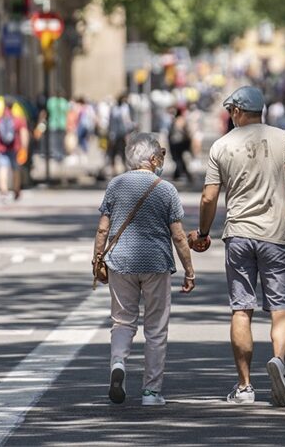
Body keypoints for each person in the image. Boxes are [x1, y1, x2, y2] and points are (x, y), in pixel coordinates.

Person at [188, 85, 285, 407]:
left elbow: (209, 196)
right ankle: (277, 360)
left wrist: (204, 232)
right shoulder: (283, 138)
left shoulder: (222, 145)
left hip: (238, 236)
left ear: (236, 111)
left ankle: (245, 386)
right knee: (281, 307)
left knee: (241, 309)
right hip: (276, 235)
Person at [93, 132, 196, 406]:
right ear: (151, 159)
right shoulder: (166, 190)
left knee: (122, 321)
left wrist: (97, 261)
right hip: (156, 264)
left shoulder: (115, 185)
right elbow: (178, 235)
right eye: (160, 155)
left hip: (120, 263)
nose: (162, 159)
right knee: (156, 328)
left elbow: (103, 228)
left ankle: (118, 364)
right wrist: (189, 269)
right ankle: (151, 391)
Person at [0, 99, 29, 202]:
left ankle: (4, 191)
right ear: (13, 107)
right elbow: (24, 134)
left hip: (1, 149)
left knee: (3, 169)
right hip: (15, 148)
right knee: (16, 170)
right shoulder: (19, 120)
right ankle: (16, 190)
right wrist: (24, 148)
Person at [106, 94, 133, 176]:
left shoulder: (125, 108)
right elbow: (111, 123)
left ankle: (125, 168)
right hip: (115, 134)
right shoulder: (115, 109)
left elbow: (127, 121)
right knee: (113, 152)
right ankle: (114, 169)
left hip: (122, 134)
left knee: (123, 152)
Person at [167, 107, 193, 183]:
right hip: (180, 142)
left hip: (177, 143)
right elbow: (187, 132)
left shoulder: (177, 120)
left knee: (178, 159)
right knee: (179, 159)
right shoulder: (181, 120)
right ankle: (180, 175)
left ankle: (179, 175)